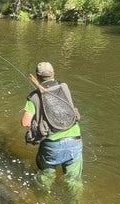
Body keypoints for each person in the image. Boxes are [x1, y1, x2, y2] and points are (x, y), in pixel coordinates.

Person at [21, 62, 83, 196]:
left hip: (52, 145)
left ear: (37, 77)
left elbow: (25, 123)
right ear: (53, 74)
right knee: (74, 182)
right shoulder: (65, 87)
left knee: (46, 178)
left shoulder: (34, 97)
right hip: (75, 140)